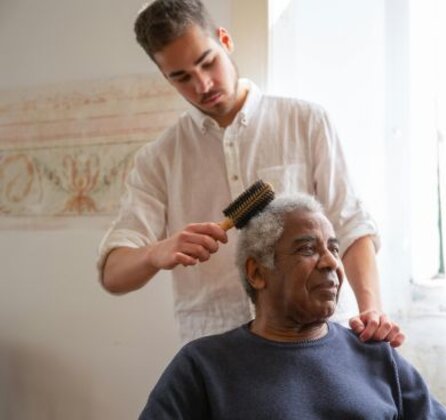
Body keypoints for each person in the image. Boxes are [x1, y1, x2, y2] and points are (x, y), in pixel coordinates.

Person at [97, 0, 404, 346]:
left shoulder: (306, 122)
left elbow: (351, 225)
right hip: (218, 351)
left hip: (318, 339)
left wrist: (371, 310)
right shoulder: (158, 159)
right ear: (165, 77)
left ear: (225, 40)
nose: (202, 85)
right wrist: (156, 252)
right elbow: (113, 274)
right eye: (181, 77)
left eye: (207, 62)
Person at [139, 194, 446, 419]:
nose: (331, 262)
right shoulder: (203, 367)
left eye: (334, 249)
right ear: (257, 273)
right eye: (307, 249)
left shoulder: (375, 354)